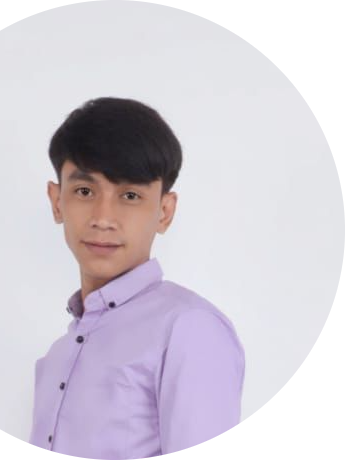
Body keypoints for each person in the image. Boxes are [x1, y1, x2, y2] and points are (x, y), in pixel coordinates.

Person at [28, 96, 245, 457]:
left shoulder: (188, 329)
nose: (103, 218)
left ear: (164, 211)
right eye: (84, 191)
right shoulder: (57, 357)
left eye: (130, 195)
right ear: (56, 201)